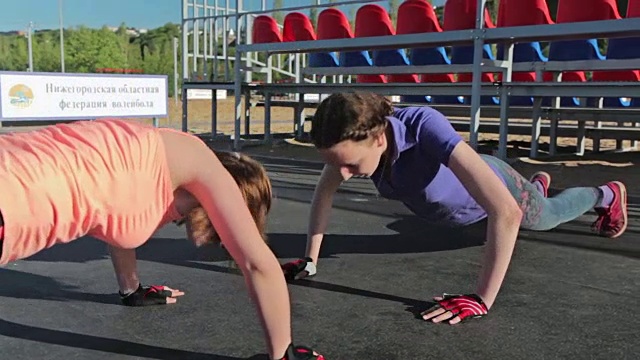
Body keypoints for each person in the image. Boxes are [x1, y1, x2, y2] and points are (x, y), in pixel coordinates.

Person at [282, 92, 627, 325]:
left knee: (548, 215)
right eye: (334, 163)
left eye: (350, 166)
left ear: (378, 138)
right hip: (465, 213)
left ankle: (605, 194)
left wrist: (482, 298)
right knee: (524, 207)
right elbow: (323, 194)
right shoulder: (351, 140)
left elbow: (506, 213)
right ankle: (536, 186)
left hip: (497, 189)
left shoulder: (422, 124)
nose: (341, 174)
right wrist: (311, 259)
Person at [0, 118, 324, 360]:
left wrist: (131, 288)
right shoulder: (206, 168)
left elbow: (117, 220)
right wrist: (284, 354)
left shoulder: (152, 153)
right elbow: (258, 264)